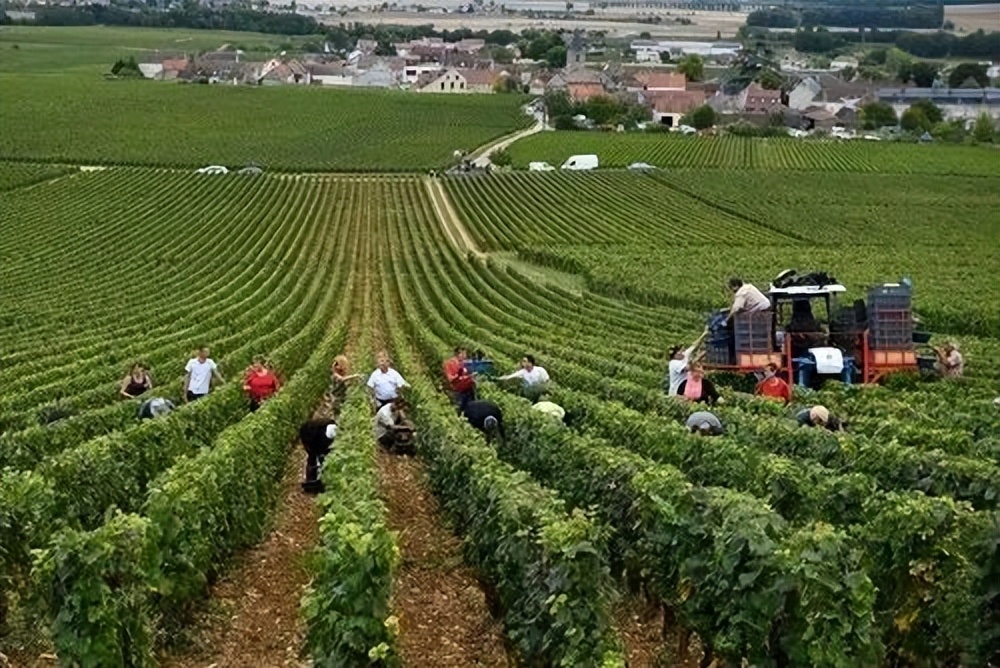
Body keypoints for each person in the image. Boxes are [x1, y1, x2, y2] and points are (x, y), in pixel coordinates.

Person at [299, 418, 338, 494]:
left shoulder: (330, 430)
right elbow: (312, 456)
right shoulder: (312, 440)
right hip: (317, 440)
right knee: (315, 457)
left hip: (324, 439)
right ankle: (312, 480)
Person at [666, 330, 708, 396]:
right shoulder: (674, 363)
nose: (682, 351)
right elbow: (689, 368)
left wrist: (704, 334)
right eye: (679, 351)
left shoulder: (684, 355)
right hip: (678, 388)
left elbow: (694, 345)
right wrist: (699, 357)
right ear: (675, 355)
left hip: (687, 384)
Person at [444, 346, 477, 413]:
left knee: (471, 408)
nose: (465, 356)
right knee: (460, 409)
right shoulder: (450, 363)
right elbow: (451, 379)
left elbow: (464, 375)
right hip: (460, 391)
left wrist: (470, 376)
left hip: (468, 389)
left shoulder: (462, 363)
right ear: (459, 354)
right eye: (464, 354)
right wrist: (459, 376)